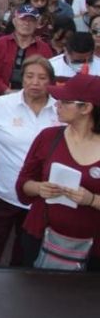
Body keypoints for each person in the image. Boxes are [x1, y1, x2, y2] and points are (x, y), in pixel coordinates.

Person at [0, 56, 57, 266]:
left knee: (25, 254)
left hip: (39, 197)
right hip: (1, 190)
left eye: (42, 77)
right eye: (30, 76)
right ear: (23, 78)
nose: (35, 82)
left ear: (51, 81)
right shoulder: (1, 105)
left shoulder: (60, 110)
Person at [16, 73, 100, 270]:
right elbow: (23, 183)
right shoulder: (48, 137)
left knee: (84, 300)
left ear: (86, 108)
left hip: (94, 251)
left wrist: (91, 200)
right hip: (40, 238)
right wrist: (39, 188)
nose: (57, 105)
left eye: (64, 101)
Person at [0, 4, 54, 96]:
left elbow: (49, 77)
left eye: (31, 20)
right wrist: (6, 90)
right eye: (23, 19)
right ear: (14, 21)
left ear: (37, 24)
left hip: (33, 98)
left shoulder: (44, 49)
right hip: (1, 97)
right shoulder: (1, 44)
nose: (26, 23)